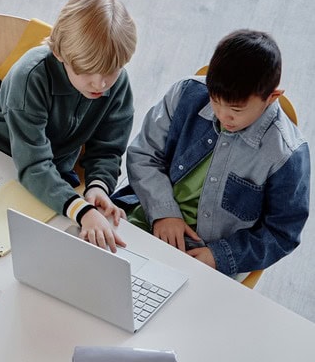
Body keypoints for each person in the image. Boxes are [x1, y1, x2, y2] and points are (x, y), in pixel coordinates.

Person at [115, 30, 310, 276]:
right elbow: (143, 154)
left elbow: (282, 233)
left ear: (271, 97)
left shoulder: (286, 154)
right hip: (149, 217)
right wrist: (164, 212)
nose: (222, 115)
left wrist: (218, 256)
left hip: (212, 260)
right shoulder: (185, 95)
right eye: (216, 101)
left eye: (236, 110)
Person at [0, 0, 137, 252]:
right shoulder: (31, 76)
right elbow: (33, 164)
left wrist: (99, 186)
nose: (100, 83)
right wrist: (81, 211)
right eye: (86, 71)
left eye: (111, 71)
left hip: (47, 176)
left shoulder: (117, 85)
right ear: (60, 54)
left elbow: (108, 148)